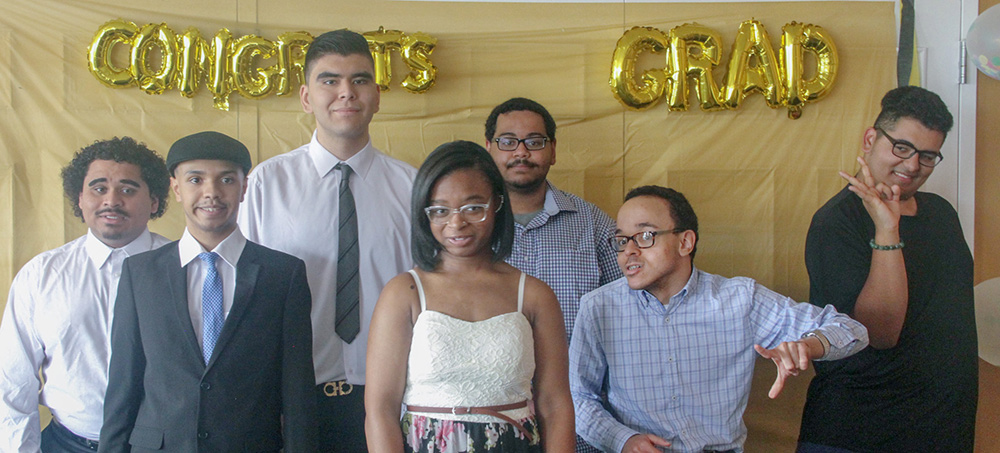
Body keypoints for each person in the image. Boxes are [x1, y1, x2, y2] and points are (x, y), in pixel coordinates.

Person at [569, 185, 869, 453]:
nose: (629, 252)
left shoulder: (739, 300)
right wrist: (623, 441)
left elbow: (852, 330)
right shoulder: (599, 307)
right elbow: (579, 398)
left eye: (645, 236)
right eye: (621, 240)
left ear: (685, 242)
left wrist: (809, 345)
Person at [237, 29, 416, 451]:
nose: (345, 93)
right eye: (329, 80)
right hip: (293, 401)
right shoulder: (266, 184)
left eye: (359, 80)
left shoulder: (413, 188)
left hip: (392, 403)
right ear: (305, 97)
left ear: (376, 94)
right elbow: (246, 298)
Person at [98, 131, 316, 452]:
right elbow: (123, 383)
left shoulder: (282, 274)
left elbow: (297, 390)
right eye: (195, 180)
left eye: (226, 180)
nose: (211, 193)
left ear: (244, 188)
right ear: (176, 188)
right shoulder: (140, 273)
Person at [797, 86, 977, 452]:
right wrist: (887, 229)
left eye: (927, 156)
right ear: (870, 139)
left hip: (943, 430)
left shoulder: (941, 215)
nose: (912, 166)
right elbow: (879, 332)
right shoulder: (837, 222)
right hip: (860, 432)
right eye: (902, 147)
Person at [365, 141, 575, 452]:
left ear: (498, 205)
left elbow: (555, 405)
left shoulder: (533, 294)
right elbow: (381, 409)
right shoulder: (404, 293)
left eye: (473, 207)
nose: (456, 222)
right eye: (440, 210)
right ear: (424, 214)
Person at [0, 137, 170, 453]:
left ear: (155, 201)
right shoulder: (42, 275)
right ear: (79, 198)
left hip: (160, 445)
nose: (112, 200)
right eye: (98, 188)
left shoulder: (185, 269)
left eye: (128, 189)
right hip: (67, 444)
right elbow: (12, 381)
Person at [484, 97, 621, 453]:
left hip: (580, 416)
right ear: (489, 149)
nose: (521, 152)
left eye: (535, 141)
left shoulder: (593, 224)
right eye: (508, 141)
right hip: (490, 416)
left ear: (553, 150)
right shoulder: (469, 228)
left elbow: (633, 307)